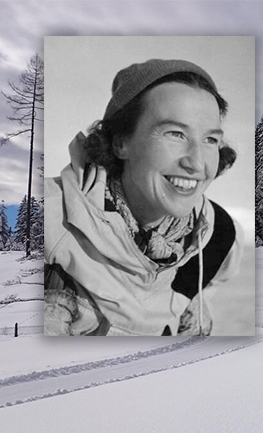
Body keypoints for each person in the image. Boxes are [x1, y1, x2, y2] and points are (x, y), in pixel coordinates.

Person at [44, 59, 244, 336]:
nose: (197, 163)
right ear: (120, 142)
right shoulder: (47, 222)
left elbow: (197, 305)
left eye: (210, 140)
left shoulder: (218, 236)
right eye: (175, 133)